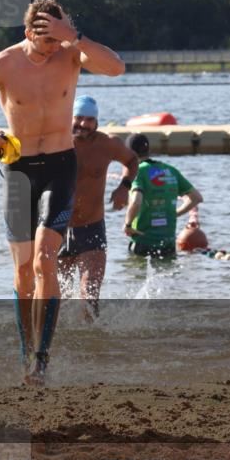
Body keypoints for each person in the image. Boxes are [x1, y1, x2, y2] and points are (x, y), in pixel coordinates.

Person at [0, 0, 125, 384]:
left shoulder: (70, 52)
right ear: (29, 32)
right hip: (19, 170)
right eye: (47, 39)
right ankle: (25, 349)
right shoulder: (3, 63)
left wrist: (73, 37)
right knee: (23, 272)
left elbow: (116, 67)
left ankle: (42, 360)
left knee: (46, 258)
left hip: (61, 167)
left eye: (59, 37)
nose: (54, 48)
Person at [62, 95, 139, 317]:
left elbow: (132, 161)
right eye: (78, 118)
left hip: (91, 226)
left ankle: (94, 342)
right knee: (58, 297)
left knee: (90, 293)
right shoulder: (57, 142)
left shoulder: (107, 144)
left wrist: (124, 186)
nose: (84, 124)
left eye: (90, 120)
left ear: (97, 122)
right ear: (70, 117)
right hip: (57, 228)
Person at [123, 134, 202, 259]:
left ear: (128, 153)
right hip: (167, 241)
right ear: (148, 150)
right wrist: (175, 213)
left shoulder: (137, 171)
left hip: (142, 240)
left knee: (136, 277)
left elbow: (136, 201)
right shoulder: (170, 170)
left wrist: (127, 225)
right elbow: (196, 198)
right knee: (166, 275)